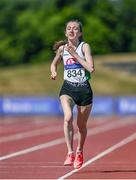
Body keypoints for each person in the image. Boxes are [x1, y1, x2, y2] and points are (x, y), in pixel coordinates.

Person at [50, 19, 94, 169]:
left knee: (81, 126)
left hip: (84, 91)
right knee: (68, 117)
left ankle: (79, 151)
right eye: (69, 28)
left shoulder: (84, 46)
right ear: (65, 32)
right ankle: (70, 152)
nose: (71, 30)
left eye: (75, 29)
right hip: (67, 88)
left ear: (80, 33)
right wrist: (54, 71)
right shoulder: (62, 49)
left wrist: (75, 54)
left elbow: (90, 68)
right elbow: (54, 62)